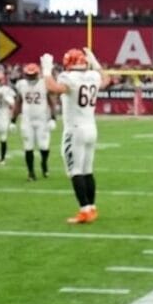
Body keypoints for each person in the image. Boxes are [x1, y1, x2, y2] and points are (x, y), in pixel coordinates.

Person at [42, 47, 110, 224]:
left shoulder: (69, 77)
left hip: (75, 129)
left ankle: (84, 210)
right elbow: (107, 79)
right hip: (91, 128)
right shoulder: (93, 76)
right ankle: (92, 207)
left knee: (75, 171)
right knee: (87, 170)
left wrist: (46, 69)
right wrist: (95, 62)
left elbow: (52, 87)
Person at [14, 63, 57, 181]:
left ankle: (44, 163)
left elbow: (52, 102)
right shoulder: (21, 84)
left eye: (32, 75)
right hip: (27, 120)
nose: (30, 77)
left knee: (44, 146)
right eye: (28, 75)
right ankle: (31, 172)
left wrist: (53, 118)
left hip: (42, 119)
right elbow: (18, 102)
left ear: (37, 74)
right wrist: (13, 119)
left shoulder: (44, 84)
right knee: (28, 147)